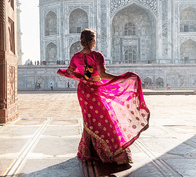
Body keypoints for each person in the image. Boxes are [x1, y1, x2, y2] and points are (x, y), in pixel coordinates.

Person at [58, 28, 150, 165]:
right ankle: (111, 152)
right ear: (93, 41)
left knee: (90, 121)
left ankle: (89, 151)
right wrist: (121, 78)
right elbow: (102, 75)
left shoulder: (76, 57)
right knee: (105, 118)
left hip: (83, 91)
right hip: (94, 90)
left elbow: (70, 72)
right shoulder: (97, 55)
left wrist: (82, 78)